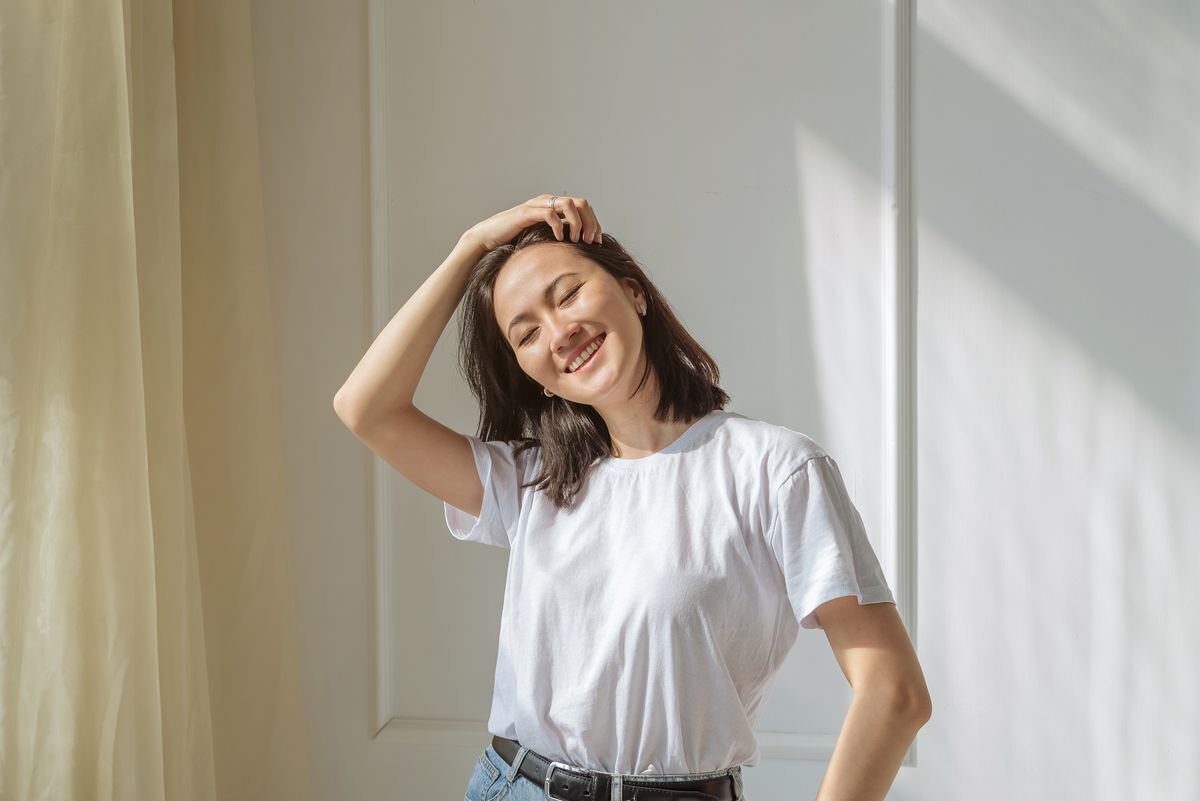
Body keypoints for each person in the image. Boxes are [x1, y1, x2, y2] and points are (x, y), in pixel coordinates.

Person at [334, 194, 932, 801]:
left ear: (634, 292)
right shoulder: (533, 481)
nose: (559, 332)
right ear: (530, 371)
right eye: (527, 333)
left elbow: (894, 692)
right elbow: (365, 407)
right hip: (515, 787)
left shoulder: (774, 469)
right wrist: (471, 247)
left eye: (567, 294)